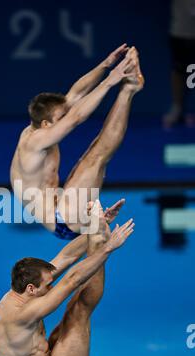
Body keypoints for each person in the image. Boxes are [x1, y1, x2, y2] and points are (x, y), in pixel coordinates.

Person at [0, 201, 135, 356]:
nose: (51, 286)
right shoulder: (21, 315)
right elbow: (72, 280)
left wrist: (97, 228)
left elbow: (65, 257)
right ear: (31, 289)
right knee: (80, 308)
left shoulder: (20, 290)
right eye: (48, 285)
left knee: (73, 305)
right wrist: (107, 247)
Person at [10, 45, 144, 239]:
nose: (65, 116)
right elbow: (75, 118)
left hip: (65, 207)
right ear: (46, 124)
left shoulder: (43, 125)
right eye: (60, 117)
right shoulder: (34, 142)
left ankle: (129, 89)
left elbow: (76, 94)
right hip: (62, 218)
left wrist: (105, 65)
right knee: (96, 155)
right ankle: (129, 89)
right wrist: (109, 81)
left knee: (97, 154)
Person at [163, 0, 195, 128]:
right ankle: (177, 108)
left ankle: (189, 109)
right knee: (179, 70)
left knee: (191, 71)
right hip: (180, 31)